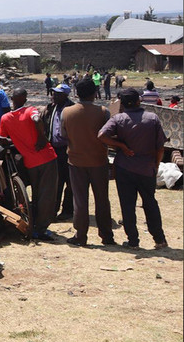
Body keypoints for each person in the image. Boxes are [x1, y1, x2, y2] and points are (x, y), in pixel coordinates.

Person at [98, 89, 168, 250]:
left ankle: (133, 241)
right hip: (146, 169)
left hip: (124, 168)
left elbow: (101, 135)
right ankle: (159, 239)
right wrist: (156, 165)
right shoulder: (152, 118)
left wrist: (121, 145)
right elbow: (160, 148)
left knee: (127, 205)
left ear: (122, 103)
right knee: (150, 203)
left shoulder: (118, 119)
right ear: (138, 101)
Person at [60, 78, 115, 247]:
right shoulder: (103, 112)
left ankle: (81, 235)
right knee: (102, 199)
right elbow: (108, 136)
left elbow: (63, 136)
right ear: (94, 94)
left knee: (80, 200)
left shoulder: (66, 112)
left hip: (76, 161)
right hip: (98, 161)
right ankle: (106, 235)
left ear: (76, 93)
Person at [0, 88, 58, 241]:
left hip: (29, 162)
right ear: (24, 98)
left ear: (12, 99)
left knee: (37, 193)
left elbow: (2, 139)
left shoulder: (5, 118)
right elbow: (37, 120)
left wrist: (17, 141)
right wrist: (42, 137)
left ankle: (35, 223)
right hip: (46, 157)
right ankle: (41, 228)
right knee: (47, 194)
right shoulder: (31, 110)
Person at [42, 84, 74, 220]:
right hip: (54, 149)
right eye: (54, 93)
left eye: (58, 94)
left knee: (70, 181)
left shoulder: (72, 109)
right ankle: (52, 210)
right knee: (55, 181)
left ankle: (67, 210)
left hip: (68, 150)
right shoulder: (51, 108)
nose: (54, 96)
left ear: (65, 95)